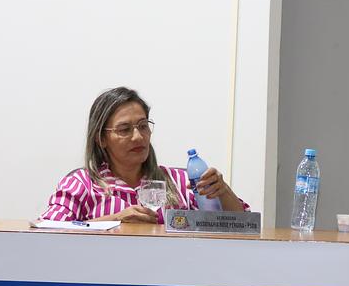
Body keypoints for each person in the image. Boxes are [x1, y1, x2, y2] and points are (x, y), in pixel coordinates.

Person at [40, 87, 245, 223]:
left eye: (143, 126)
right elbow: (47, 230)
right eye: (124, 129)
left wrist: (223, 191)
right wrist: (114, 221)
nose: (138, 137)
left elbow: (243, 226)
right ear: (101, 139)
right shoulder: (81, 184)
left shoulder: (181, 181)